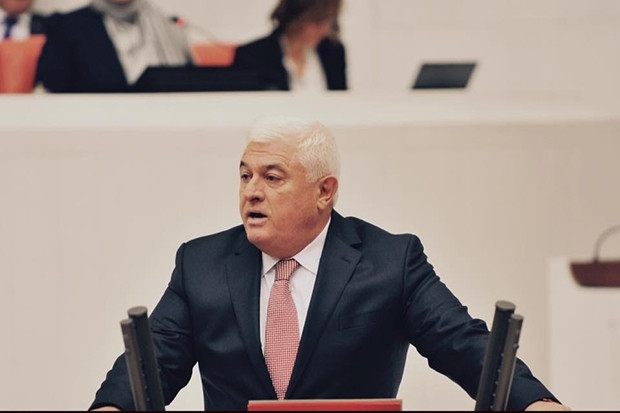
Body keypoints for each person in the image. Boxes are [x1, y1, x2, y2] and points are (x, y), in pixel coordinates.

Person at [90, 117, 568, 411]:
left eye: (272, 177)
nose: (251, 191)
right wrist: (111, 407)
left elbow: (462, 343)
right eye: (245, 175)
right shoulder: (201, 265)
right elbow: (155, 359)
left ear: (325, 191)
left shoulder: (390, 262)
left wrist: (535, 403)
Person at [36, 0, 190, 93]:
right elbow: (53, 87)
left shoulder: (168, 26)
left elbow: (187, 83)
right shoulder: (67, 27)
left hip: (162, 126)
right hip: (95, 128)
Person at [233, 0, 347, 91]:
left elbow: (342, 102)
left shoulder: (333, 52)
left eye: (330, 22)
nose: (325, 30)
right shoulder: (253, 56)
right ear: (296, 19)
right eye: (318, 23)